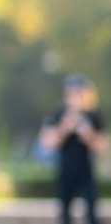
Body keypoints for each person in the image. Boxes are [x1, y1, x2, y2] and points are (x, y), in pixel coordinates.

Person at [39, 74, 108, 224]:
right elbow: (46, 144)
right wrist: (65, 127)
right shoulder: (58, 113)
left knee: (92, 214)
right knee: (65, 215)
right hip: (65, 171)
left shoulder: (93, 115)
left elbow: (103, 148)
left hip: (86, 172)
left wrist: (87, 133)